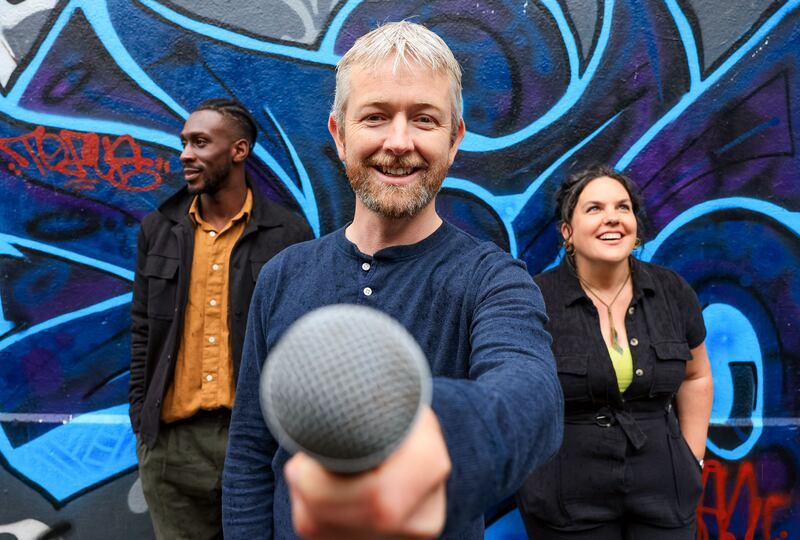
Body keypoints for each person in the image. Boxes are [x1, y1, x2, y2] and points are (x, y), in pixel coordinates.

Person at [222, 22, 563, 539]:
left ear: (454, 139)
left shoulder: (494, 280)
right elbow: (251, 450)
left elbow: (533, 396)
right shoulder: (282, 277)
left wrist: (434, 432)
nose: (399, 142)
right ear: (339, 134)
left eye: (424, 119)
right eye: (375, 117)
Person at [128, 99, 313, 539]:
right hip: (173, 446)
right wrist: (141, 417)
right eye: (184, 143)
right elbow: (142, 329)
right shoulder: (159, 229)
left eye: (200, 143)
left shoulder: (288, 235)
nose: (185, 154)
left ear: (238, 150)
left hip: (254, 443)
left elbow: (303, 341)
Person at [517, 164, 714, 539]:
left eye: (623, 207)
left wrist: (693, 457)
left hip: (663, 485)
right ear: (567, 232)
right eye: (594, 208)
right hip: (566, 492)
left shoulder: (671, 291)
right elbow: (512, 392)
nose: (612, 218)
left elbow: (697, 375)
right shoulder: (536, 299)